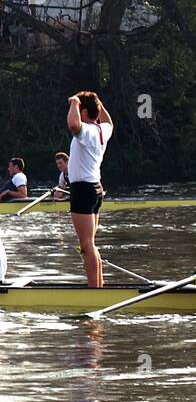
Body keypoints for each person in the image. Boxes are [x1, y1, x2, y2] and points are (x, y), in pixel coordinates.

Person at [66, 91, 113, 288]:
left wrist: (74, 103)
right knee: (90, 243)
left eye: (78, 109)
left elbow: (73, 125)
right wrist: (97, 103)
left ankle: (94, 290)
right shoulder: (103, 129)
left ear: (84, 112)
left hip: (83, 189)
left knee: (86, 245)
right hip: (95, 188)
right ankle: (98, 286)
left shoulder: (87, 131)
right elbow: (110, 122)